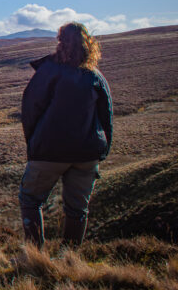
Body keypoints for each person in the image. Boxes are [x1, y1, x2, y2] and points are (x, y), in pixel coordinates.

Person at [18, 22, 113, 248]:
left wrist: (34, 144)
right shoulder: (95, 76)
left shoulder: (49, 71)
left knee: (30, 199)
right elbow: (106, 116)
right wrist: (102, 149)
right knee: (78, 209)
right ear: (88, 44)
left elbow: (30, 109)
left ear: (61, 42)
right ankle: (68, 257)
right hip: (87, 153)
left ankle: (34, 255)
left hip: (49, 151)